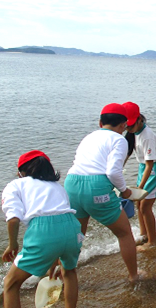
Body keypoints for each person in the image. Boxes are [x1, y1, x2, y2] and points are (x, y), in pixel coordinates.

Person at [64, 103, 143, 283]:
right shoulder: (119, 140)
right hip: (96, 186)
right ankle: (134, 276)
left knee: (77, 235)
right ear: (123, 125)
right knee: (124, 234)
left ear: (100, 122)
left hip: (71, 183)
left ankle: (65, 274)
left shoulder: (89, 136)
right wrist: (125, 191)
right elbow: (113, 172)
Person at [2, 150, 82, 308]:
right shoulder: (56, 186)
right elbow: (61, 214)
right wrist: (54, 256)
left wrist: (12, 244)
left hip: (44, 231)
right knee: (69, 271)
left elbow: (13, 219)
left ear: (21, 173)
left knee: (10, 283)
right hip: (73, 228)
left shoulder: (15, 185)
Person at [123, 102, 156, 251]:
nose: (128, 128)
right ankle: (144, 234)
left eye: (130, 125)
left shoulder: (147, 136)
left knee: (145, 207)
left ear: (140, 119)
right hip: (144, 167)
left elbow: (150, 165)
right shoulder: (132, 133)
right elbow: (127, 153)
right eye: (126, 126)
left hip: (153, 169)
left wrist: (140, 188)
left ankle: (152, 241)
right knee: (138, 204)